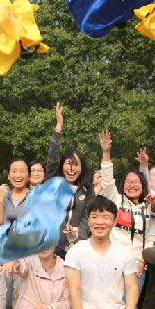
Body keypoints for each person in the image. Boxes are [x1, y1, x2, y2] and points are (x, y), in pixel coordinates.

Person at [98, 130, 155, 285]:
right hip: (112, 262)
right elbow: (107, 181)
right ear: (122, 185)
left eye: (136, 181)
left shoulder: (148, 207)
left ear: (142, 185)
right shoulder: (115, 200)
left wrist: (143, 261)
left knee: (132, 306)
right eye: (128, 182)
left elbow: (151, 237)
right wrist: (106, 152)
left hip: (137, 265)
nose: (132, 185)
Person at [46, 102, 95, 256]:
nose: (72, 168)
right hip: (53, 246)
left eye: (76, 164)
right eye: (68, 163)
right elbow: (52, 159)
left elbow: (87, 217)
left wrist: (77, 239)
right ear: (62, 166)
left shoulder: (87, 190)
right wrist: (58, 127)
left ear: (82, 168)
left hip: (78, 247)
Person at [0, 158, 33, 309]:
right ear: (9, 176)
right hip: (5, 256)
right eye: (14, 171)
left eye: (22, 171)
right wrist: (1, 199)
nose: (18, 175)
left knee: (24, 300)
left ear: (28, 175)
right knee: (7, 303)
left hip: (27, 256)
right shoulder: (2, 197)